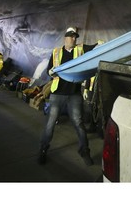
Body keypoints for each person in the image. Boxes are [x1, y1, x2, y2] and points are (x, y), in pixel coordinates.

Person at [38, 27, 102, 166]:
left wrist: (100, 43)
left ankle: (85, 152)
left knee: (79, 124)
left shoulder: (80, 49)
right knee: (50, 124)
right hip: (58, 93)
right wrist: (51, 73)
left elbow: (94, 46)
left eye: (75, 37)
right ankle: (43, 149)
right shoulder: (56, 52)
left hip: (74, 94)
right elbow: (49, 70)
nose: (74, 39)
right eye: (71, 36)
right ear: (65, 38)